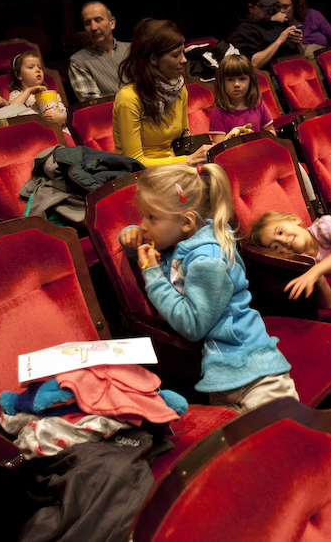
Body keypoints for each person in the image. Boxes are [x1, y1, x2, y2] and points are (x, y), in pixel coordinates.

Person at [119, 164, 297, 413]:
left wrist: (152, 273)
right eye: (142, 216)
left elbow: (192, 325)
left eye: (151, 217)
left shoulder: (207, 261)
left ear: (186, 221)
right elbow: (148, 241)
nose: (143, 225)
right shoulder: (186, 239)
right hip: (222, 374)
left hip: (256, 375)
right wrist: (130, 236)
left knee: (281, 442)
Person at [112, 18, 211, 167]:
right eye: (176, 55)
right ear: (153, 59)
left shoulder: (179, 89)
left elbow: (183, 142)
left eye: (182, 53)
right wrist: (188, 160)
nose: (184, 60)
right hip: (143, 177)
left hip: (178, 170)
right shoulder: (129, 98)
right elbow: (135, 162)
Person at [68, 1, 131, 100]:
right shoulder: (78, 61)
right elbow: (93, 103)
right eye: (87, 23)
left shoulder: (132, 49)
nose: (93, 27)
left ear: (112, 23)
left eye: (98, 20)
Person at [229, 0, 303, 69]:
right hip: (273, 77)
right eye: (265, 6)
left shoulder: (275, 24)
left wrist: (298, 42)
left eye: (271, 6)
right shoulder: (244, 30)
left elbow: (302, 54)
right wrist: (279, 41)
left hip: (295, 68)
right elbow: (253, 64)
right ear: (251, 7)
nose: (270, 10)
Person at [208, 54, 275, 144]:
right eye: (230, 79)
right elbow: (219, 147)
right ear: (222, 83)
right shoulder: (218, 114)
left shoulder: (259, 107)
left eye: (242, 79)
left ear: (250, 81)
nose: (236, 84)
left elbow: (271, 134)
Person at [7, 51, 67, 127]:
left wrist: (61, 118)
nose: (38, 70)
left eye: (40, 67)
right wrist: (29, 91)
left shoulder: (51, 94)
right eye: (31, 67)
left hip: (58, 129)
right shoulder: (17, 94)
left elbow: (63, 113)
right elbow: (11, 109)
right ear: (18, 75)